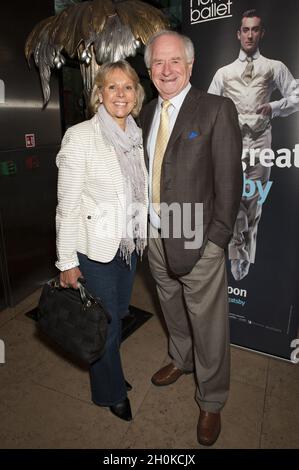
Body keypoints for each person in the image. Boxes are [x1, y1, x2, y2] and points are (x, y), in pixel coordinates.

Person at [140, 30, 243, 446]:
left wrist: (216, 240)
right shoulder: (146, 112)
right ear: (149, 71)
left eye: (174, 61)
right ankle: (180, 359)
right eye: (158, 64)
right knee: (171, 307)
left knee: (209, 324)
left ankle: (212, 400)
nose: (166, 70)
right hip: (154, 234)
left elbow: (229, 183)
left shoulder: (216, 109)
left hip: (198, 239)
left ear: (190, 65)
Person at [55, 60, 148, 421]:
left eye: (128, 87)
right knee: (105, 325)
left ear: (137, 95)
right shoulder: (80, 136)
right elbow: (67, 205)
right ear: (99, 94)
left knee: (119, 315)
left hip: (127, 246)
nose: (120, 94)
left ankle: (112, 373)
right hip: (94, 249)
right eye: (112, 87)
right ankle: (108, 392)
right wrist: (67, 262)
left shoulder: (136, 136)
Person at [208, 9, 299, 281]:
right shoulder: (224, 73)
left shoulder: (274, 67)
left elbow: (296, 96)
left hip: (261, 143)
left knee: (254, 203)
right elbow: (210, 107)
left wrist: (274, 106)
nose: (249, 34)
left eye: (255, 29)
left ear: (261, 33)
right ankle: (237, 257)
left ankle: (245, 260)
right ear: (238, 34)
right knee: (230, 202)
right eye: (245, 30)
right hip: (231, 145)